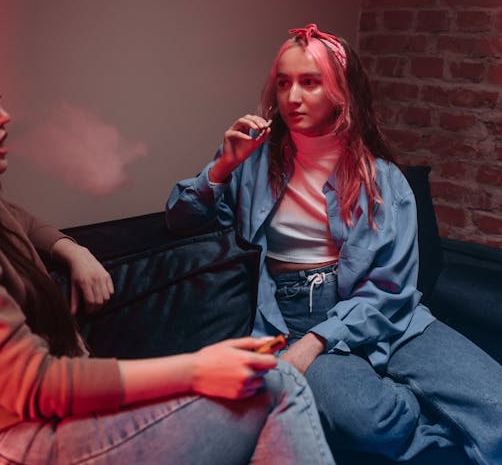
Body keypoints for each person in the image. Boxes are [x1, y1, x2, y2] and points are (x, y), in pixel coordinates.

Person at [0, 31, 334, 465]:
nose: (3, 116)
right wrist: (195, 368)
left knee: (279, 386)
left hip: (42, 428)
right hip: (7, 445)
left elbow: (18, 222)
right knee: (279, 383)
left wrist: (70, 250)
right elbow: (31, 381)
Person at [165, 23, 502, 464]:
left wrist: (320, 342)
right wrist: (222, 167)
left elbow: (387, 290)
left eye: (310, 82)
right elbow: (181, 220)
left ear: (342, 91)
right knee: (369, 421)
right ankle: (442, 441)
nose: (292, 97)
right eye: (283, 83)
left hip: (386, 317)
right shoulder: (254, 160)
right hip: (295, 321)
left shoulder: (382, 179)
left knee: (495, 404)